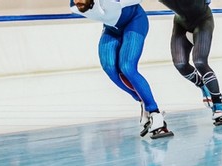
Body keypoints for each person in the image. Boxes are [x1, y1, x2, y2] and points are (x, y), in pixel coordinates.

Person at [70, 0, 173, 139]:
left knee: (127, 67)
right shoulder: (74, 6)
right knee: (109, 67)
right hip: (112, 28)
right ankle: (142, 100)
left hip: (134, 21)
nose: (77, 1)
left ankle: (155, 113)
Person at [158, 0, 222, 126]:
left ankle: (218, 103)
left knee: (200, 61)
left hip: (203, 20)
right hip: (181, 23)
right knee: (180, 64)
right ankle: (203, 85)